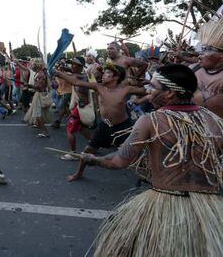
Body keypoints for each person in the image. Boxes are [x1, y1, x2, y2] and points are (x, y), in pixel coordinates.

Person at [82, 64, 223, 256]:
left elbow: (118, 161)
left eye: (154, 87)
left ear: (170, 93)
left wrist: (93, 159)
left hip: (165, 206)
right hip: (209, 212)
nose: (148, 91)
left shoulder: (152, 120)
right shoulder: (215, 121)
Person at [54, 62, 146, 180]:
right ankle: (79, 173)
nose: (103, 74)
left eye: (107, 73)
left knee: (133, 154)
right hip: (105, 126)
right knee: (87, 151)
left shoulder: (126, 89)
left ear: (116, 77)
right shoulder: (99, 87)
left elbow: (146, 92)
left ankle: (147, 177)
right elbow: (76, 82)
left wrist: (141, 84)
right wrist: (58, 73)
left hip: (123, 128)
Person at [23, 58, 51, 137]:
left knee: (38, 114)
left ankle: (45, 132)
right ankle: (41, 128)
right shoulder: (39, 73)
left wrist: (29, 85)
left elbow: (39, 87)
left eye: (33, 65)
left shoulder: (40, 74)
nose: (31, 66)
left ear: (37, 66)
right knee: (37, 113)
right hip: (39, 94)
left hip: (39, 95)